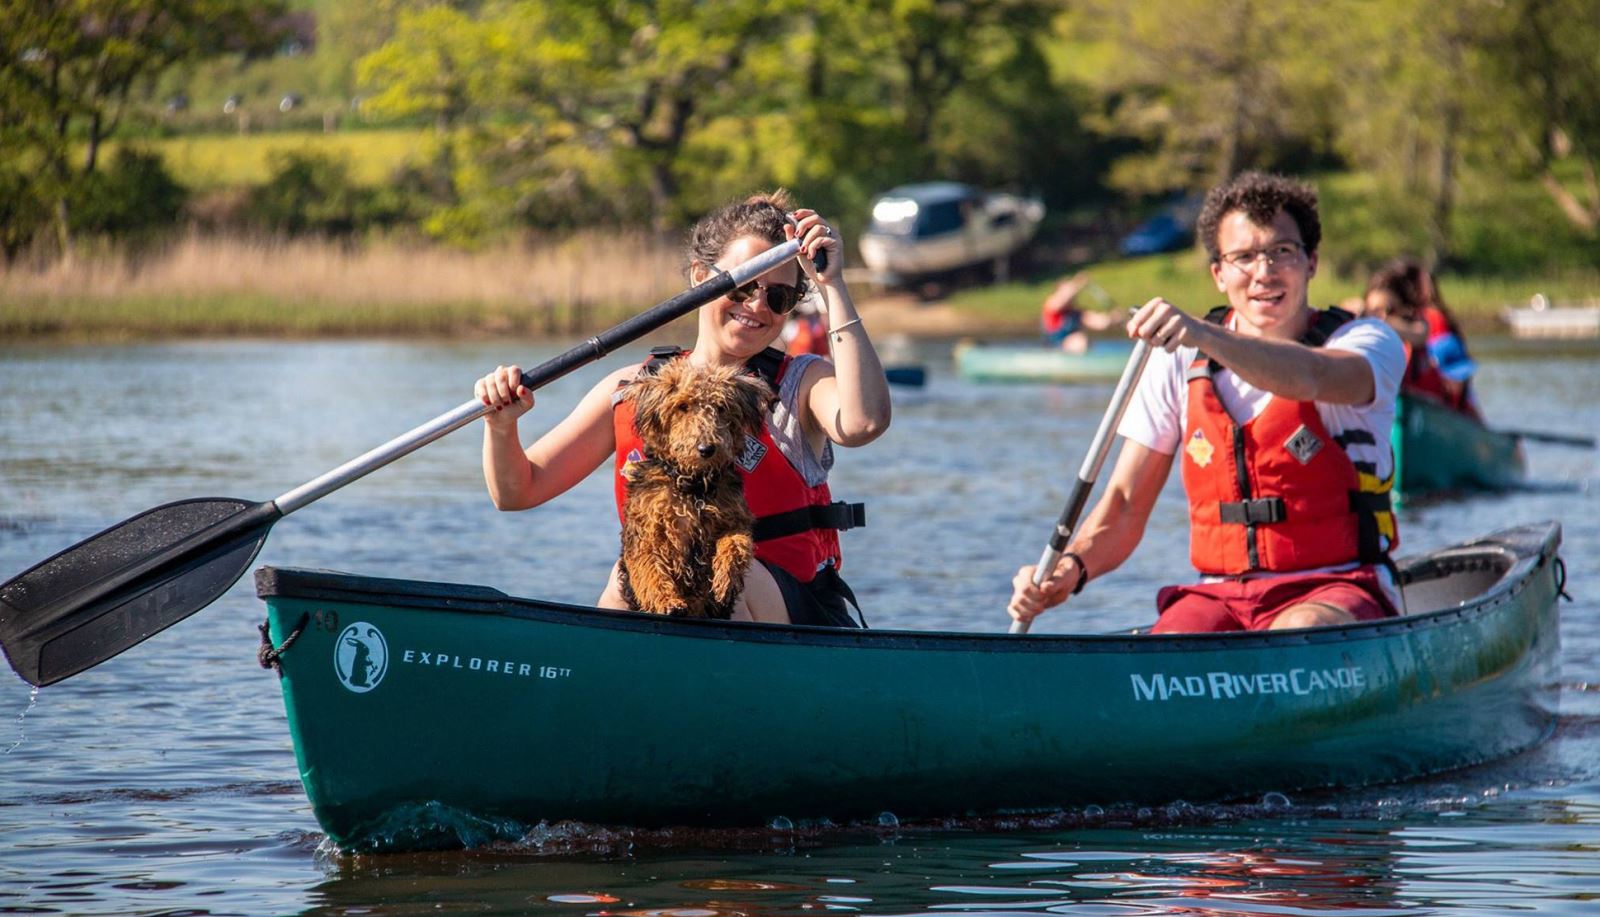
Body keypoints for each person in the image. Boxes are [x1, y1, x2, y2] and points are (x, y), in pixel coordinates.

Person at [1008, 171, 1406, 634]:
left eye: (1282, 252)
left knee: (1294, 633)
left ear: (1311, 262)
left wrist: (1201, 332)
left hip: (1337, 588)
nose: (1264, 272)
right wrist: (1069, 571)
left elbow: (1310, 376)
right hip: (1221, 593)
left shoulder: (1367, 342)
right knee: (1173, 641)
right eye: (1243, 257)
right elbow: (1125, 504)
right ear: (1218, 274)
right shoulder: (1176, 362)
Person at [474, 191, 891, 626]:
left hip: (791, 614)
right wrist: (501, 426)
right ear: (700, 276)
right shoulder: (632, 389)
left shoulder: (801, 382)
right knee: (625, 578)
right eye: (744, 285)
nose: (756, 306)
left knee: (730, 571)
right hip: (676, 599)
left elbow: (863, 423)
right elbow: (517, 491)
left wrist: (832, 285)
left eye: (778, 298)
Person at [1363, 259, 1479, 419]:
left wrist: (1375, 322)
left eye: (1389, 310)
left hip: (1434, 410)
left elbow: (1419, 334)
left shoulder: (1420, 326)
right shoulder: (1362, 334)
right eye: (1374, 311)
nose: (1381, 317)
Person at [1040, 272, 1119, 353]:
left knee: (1082, 340)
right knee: (1079, 341)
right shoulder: (1052, 304)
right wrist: (1079, 282)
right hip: (1053, 346)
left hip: (1072, 347)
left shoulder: (1077, 313)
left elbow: (1100, 323)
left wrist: (1113, 318)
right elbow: (1065, 297)